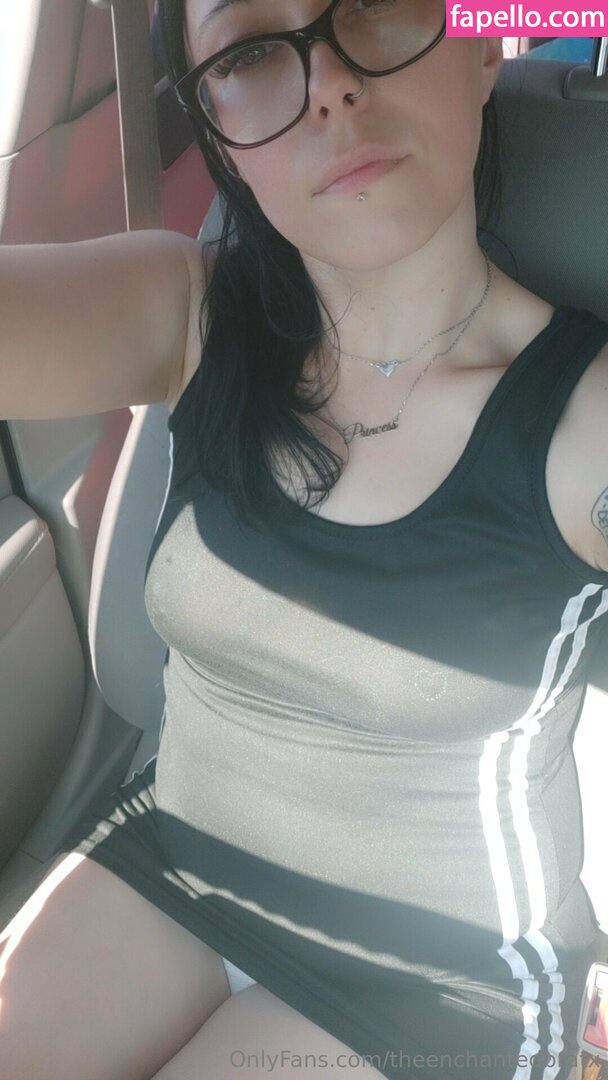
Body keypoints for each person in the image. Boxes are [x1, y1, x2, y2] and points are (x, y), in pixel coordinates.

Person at [1, 2, 607, 1078]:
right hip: (177, 855)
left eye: (372, 7)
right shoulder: (189, 312)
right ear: (219, 133)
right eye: (248, 53)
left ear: (480, 44)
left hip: (437, 977)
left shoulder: (585, 420)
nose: (328, 85)